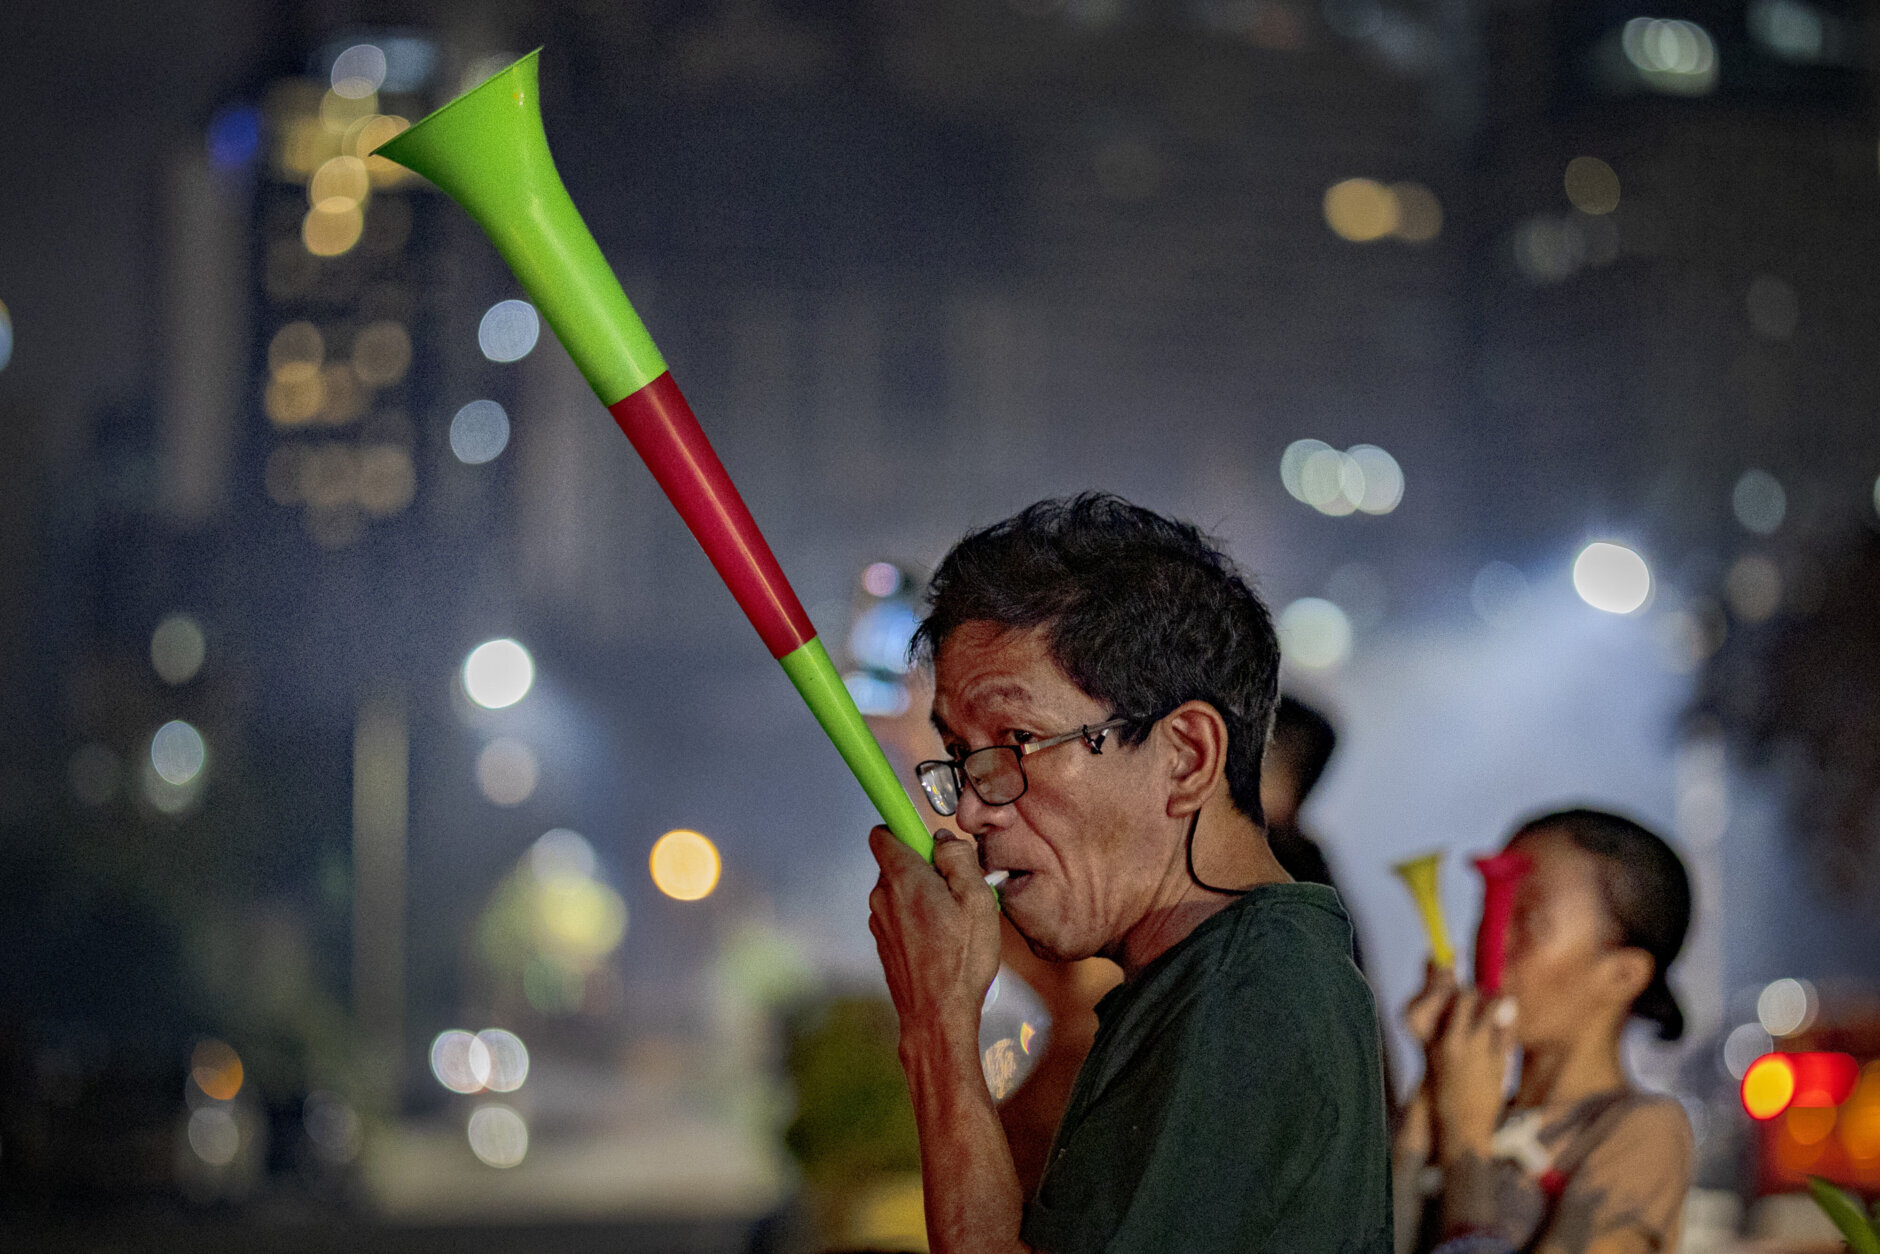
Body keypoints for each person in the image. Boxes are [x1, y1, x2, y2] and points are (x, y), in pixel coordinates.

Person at [866, 493, 1392, 1254]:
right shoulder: (1211, 978)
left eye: (1016, 741)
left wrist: (939, 1027)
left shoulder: (1243, 995)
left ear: (1186, 756)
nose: (976, 809)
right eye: (960, 757)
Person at [1392, 809, 1693, 1254]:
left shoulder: (1643, 1133)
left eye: (1528, 921)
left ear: (1623, 975)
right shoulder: (1462, 1108)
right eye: (1490, 910)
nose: (1489, 942)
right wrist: (1431, 1089)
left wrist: (1465, 1144)